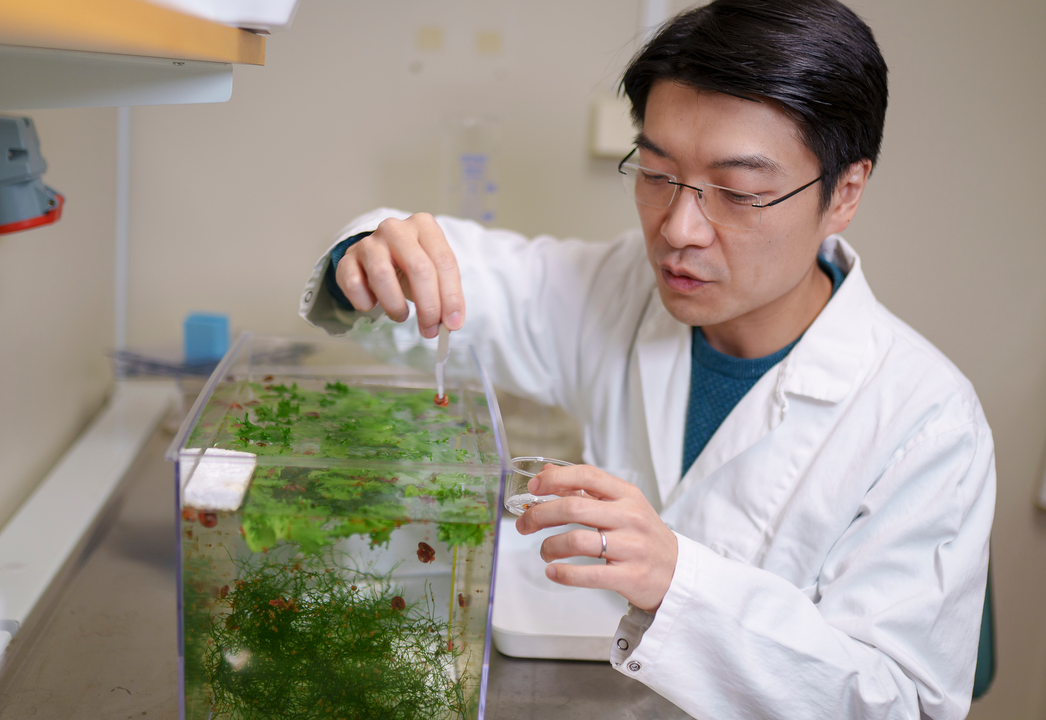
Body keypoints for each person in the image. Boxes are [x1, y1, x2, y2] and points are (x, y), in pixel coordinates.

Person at [299, 1, 995, 717]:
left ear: (844, 192)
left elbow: (902, 702)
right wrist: (372, 252)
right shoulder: (620, 288)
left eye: (739, 192)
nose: (679, 229)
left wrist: (676, 580)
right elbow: (442, 270)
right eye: (657, 173)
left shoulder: (927, 421)